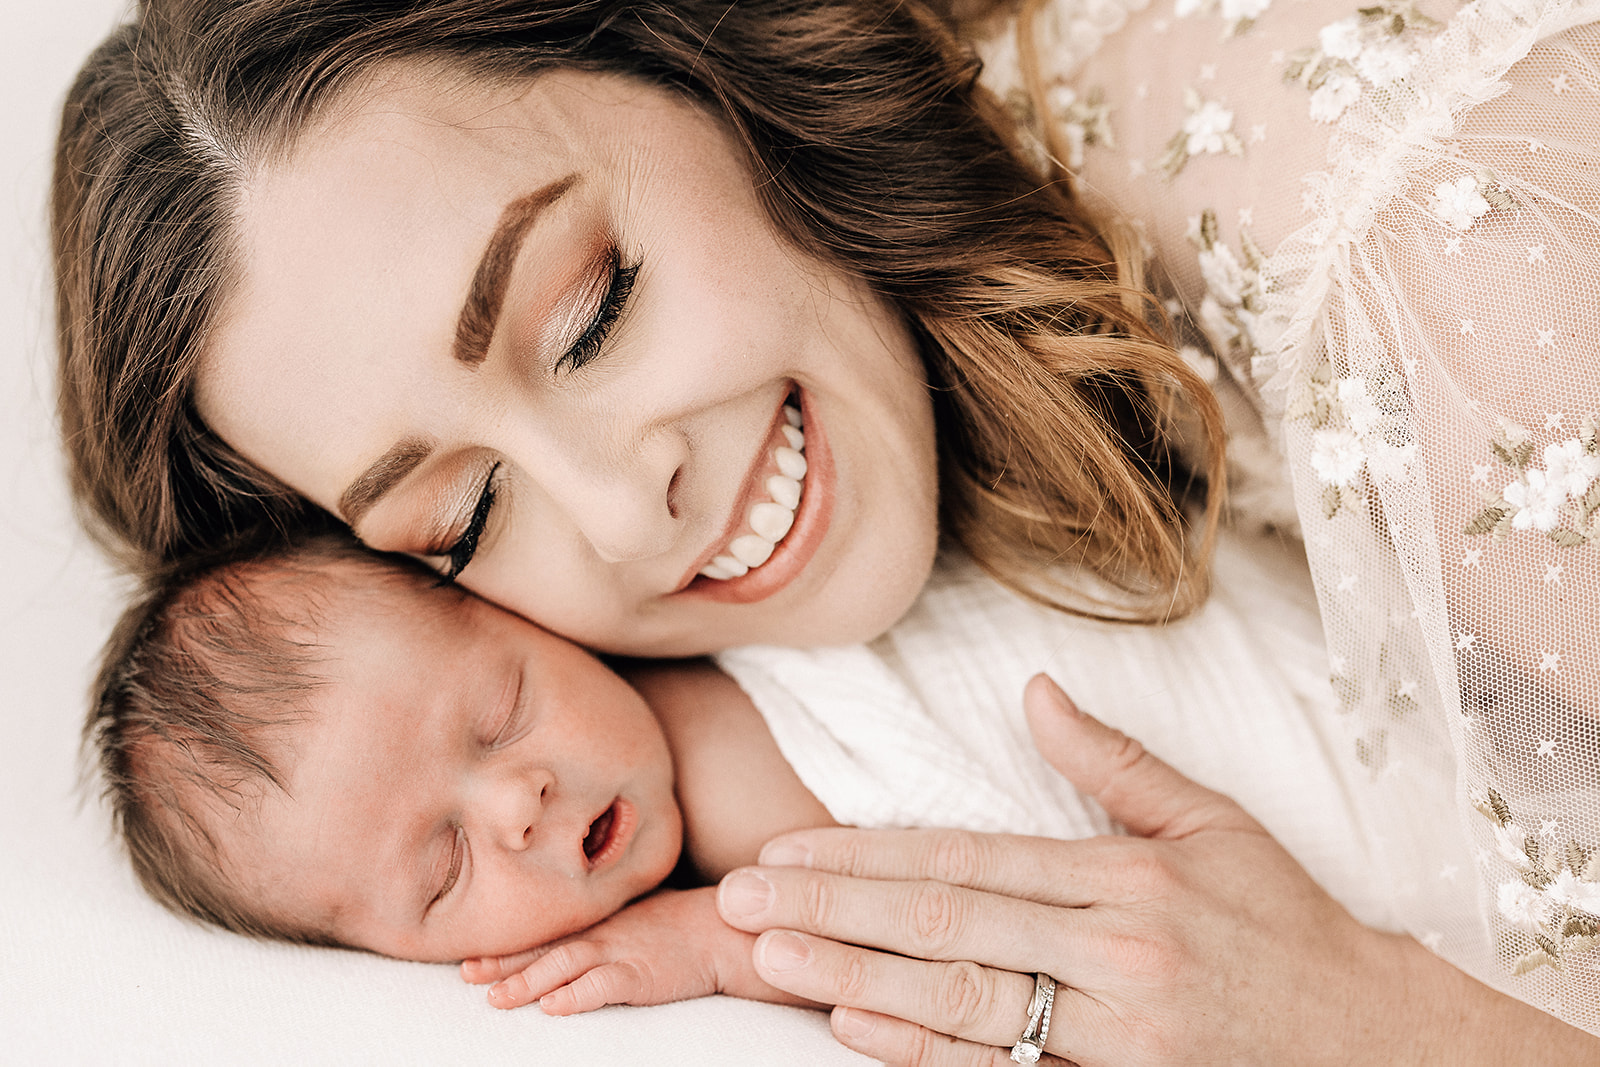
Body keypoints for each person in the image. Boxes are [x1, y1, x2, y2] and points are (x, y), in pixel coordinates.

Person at [51, 0, 1600, 1060]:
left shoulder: (1426, 256)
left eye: (589, 313)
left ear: (702, 65)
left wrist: (1375, 1023)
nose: (621, 515)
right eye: (462, 521)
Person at [90, 528, 1370, 1029]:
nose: (518, 798)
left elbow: (901, 924)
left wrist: (719, 941)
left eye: (502, 707)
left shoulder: (718, 727)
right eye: (443, 864)